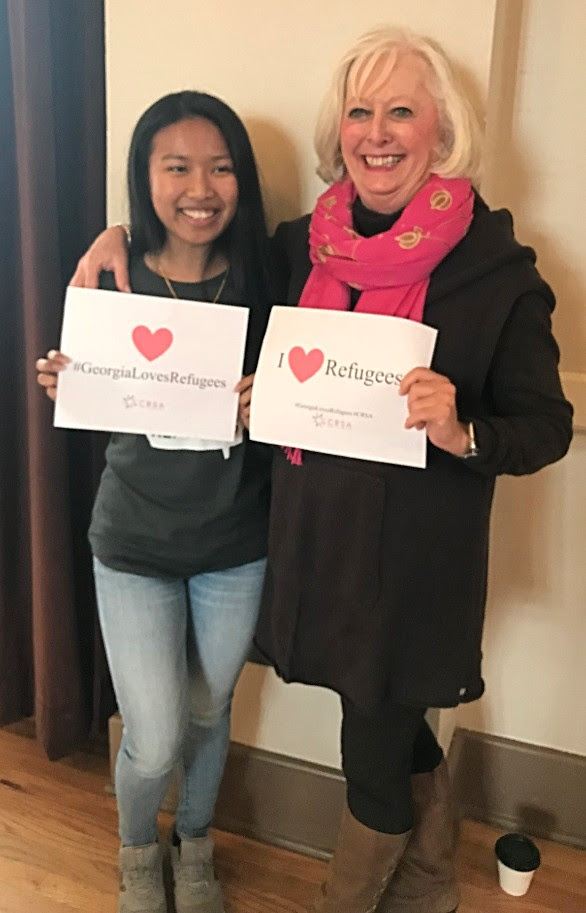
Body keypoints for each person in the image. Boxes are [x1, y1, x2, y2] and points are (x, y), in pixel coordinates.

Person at [67, 27, 573, 913]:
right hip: (312, 547)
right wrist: (114, 234)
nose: (377, 133)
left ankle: (355, 898)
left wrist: (462, 428)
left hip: (411, 568)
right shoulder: (303, 247)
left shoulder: (492, 272)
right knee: (392, 721)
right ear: (339, 130)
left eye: (401, 111)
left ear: (444, 130)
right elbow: (196, 260)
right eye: (359, 112)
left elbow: (546, 427)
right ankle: (429, 885)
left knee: (373, 743)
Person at [36, 90, 272, 913]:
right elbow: (94, 381)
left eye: (221, 167)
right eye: (176, 167)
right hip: (133, 542)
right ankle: (138, 848)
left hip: (236, 545)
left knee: (209, 711)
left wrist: (269, 400)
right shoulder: (112, 276)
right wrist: (69, 381)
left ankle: (194, 841)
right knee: (156, 733)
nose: (200, 188)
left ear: (242, 179)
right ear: (144, 177)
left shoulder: (267, 275)